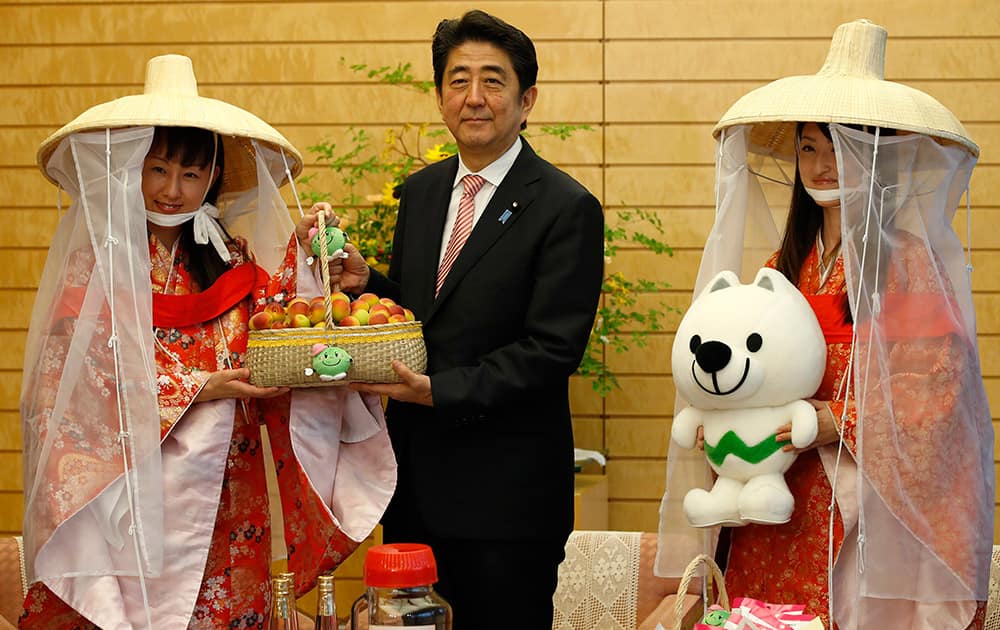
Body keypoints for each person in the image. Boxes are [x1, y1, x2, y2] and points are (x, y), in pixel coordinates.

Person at [19, 55, 395, 629]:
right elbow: (69, 388)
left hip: (228, 483)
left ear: (213, 178)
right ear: (130, 170)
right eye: (158, 169)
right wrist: (199, 387)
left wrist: (307, 256)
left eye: (191, 174)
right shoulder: (93, 266)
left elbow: (277, 330)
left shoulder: (231, 258)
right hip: (129, 485)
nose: (173, 190)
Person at [656, 20, 993, 630]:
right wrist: (720, 421)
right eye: (809, 147)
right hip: (778, 489)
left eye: (839, 146)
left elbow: (939, 392)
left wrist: (839, 422)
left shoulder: (909, 263)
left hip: (864, 498)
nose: (821, 164)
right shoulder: (780, 268)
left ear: (874, 152)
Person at [328, 10, 604, 629]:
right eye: (458, 80)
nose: (473, 97)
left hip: (508, 499)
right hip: (417, 485)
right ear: (440, 95)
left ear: (526, 99)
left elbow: (552, 349)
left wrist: (439, 391)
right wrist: (367, 283)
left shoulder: (566, 208)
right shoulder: (422, 192)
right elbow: (426, 315)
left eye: (493, 80)